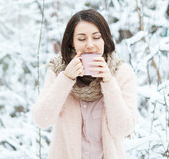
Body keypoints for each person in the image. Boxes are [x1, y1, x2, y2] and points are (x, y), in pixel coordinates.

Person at [31, 9, 137, 159]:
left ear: (105, 40)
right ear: (72, 43)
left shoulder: (121, 73)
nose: (90, 45)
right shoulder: (58, 71)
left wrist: (108, 82)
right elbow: (41, 120)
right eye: (81, 39)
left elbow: (123, 129)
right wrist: (66, 78)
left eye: (96, 37)